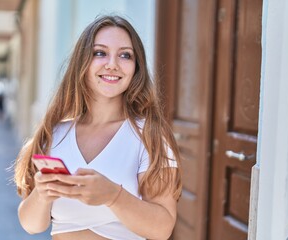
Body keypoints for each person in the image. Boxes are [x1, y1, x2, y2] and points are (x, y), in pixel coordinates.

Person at [14, 15, 182, 240]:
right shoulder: (54, 134)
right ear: (82, 62)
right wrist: (42, 195)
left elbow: (162, 228)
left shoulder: (149, 135)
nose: (112, 64)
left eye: (125, 55)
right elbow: (31, 225)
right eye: (100, 53)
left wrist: (113, 196)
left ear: (136, 67)